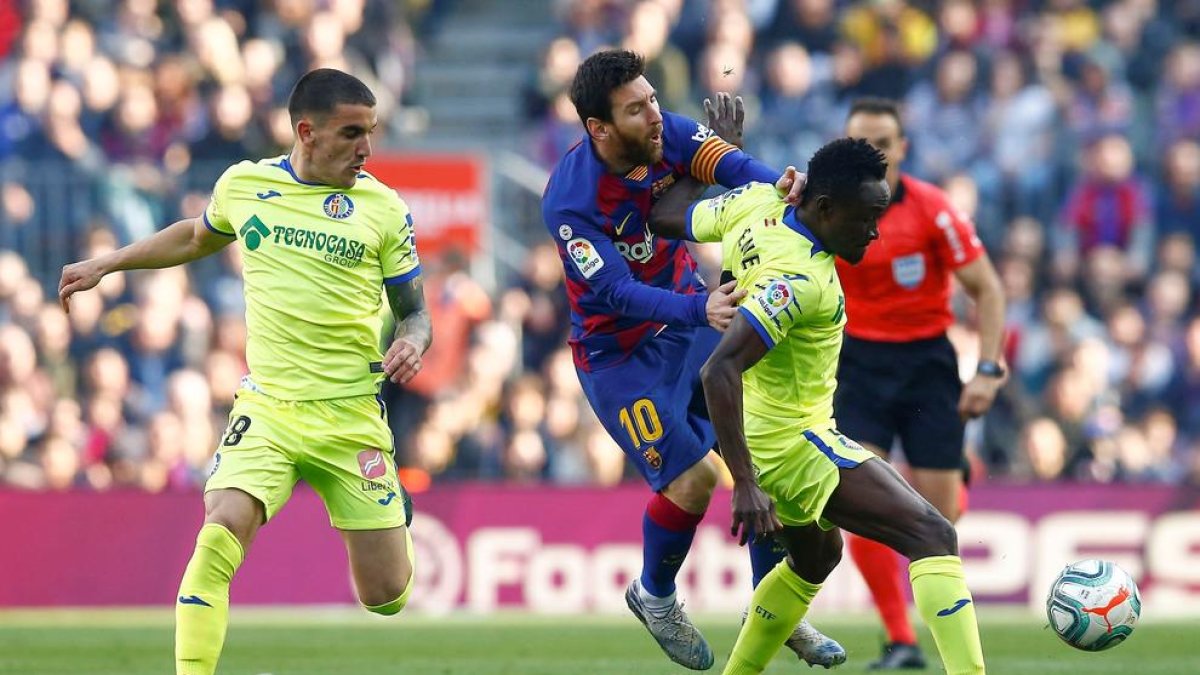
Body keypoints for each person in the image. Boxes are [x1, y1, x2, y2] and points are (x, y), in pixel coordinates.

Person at [58, 69, 427, 675]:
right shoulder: (246, 185)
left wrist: (413, 341)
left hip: (352, 415)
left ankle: (393, 512)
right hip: (269, 409)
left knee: (386, 595)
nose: (367, 149)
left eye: (372, 133)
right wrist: (110, 262)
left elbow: (415, 313)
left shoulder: (383, 210)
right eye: (352, 133)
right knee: (222, 524)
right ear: (306, 132)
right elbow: (197, 237)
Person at [541, 48, 844, 670]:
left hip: (689, 321)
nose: (655, 115)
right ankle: (653, 595)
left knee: (756, 455)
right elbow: (614, 291)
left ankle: (775, 609)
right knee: (697, 479)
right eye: (636, 108)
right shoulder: (570, 200)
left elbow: (730, 162)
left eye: (653, 99)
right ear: (599, 128)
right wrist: (697, 310)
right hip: (618, 354)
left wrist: (776, 183)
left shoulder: (667, 132)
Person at [649, 137, 986, 675]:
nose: (874, 232)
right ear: (826, 208)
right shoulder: (800, 281)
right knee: (933, 534)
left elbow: (665, 215)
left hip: (768, 431)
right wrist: (747, 484)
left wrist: (711, 156)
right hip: (792, 444)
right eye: (867, 217)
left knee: (817, 557)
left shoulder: (756, 202)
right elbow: (719, 369)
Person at [838, 97, 1007, 670]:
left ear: (902, 147)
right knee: (859, 500)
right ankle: (900, 639)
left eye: (883, 142)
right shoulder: (825, 208)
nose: (873, 153)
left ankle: (956, 480)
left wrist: (987, 368)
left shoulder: (934, 210)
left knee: (937, 523)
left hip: (926, 367)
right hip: (857, 364)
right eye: (862, 142)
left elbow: (987, 288)